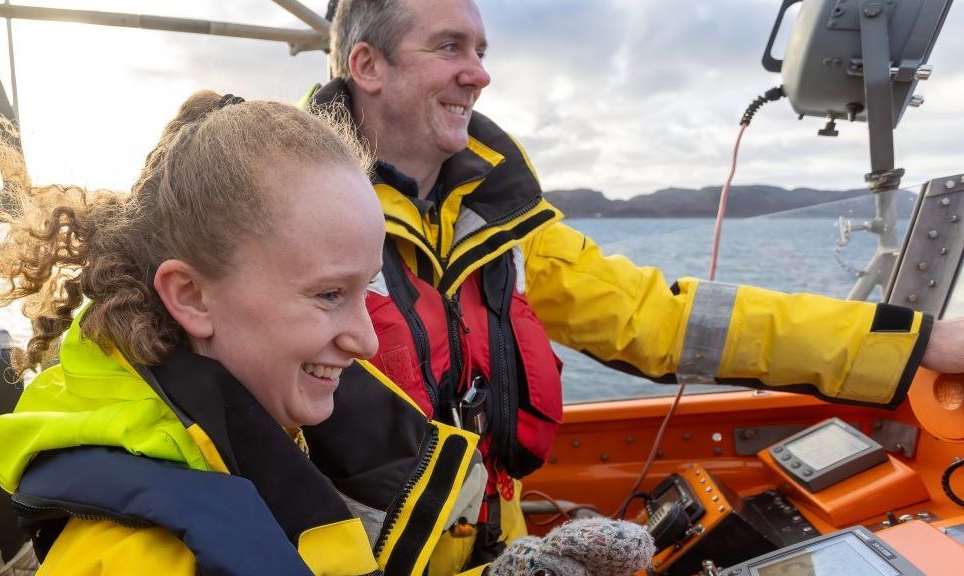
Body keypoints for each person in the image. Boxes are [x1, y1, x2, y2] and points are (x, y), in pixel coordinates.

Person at [313, 0, 964, 573]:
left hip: (498, 545)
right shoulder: (281, 226)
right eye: (449, 46)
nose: (479, 73)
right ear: (368, 66)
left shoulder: (504, 232)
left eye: (481, 51)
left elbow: (665, 317)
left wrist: (917, 342)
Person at [0, 92, 485, 575]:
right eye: (327, 295)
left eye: (366, 290)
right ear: (191, 296)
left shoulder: (280, 412)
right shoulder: (132, 560)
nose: (366, 341)